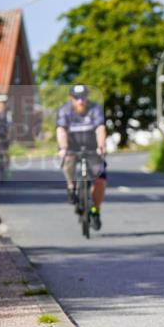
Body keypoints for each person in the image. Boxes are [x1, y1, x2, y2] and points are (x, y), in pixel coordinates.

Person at [56, 84, 107, 230]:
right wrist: (63, 148)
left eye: (83, 97)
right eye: (76, 98)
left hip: (92, 148)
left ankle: (95, 210)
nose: (80, 101)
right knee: (68, 162)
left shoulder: (95, 109)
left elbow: (100, 128)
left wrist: (101, 146)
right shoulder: (65, 111)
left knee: (100, 181)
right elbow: (61, 130)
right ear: (71, 98)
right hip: (72, 147)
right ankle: (71, 186)